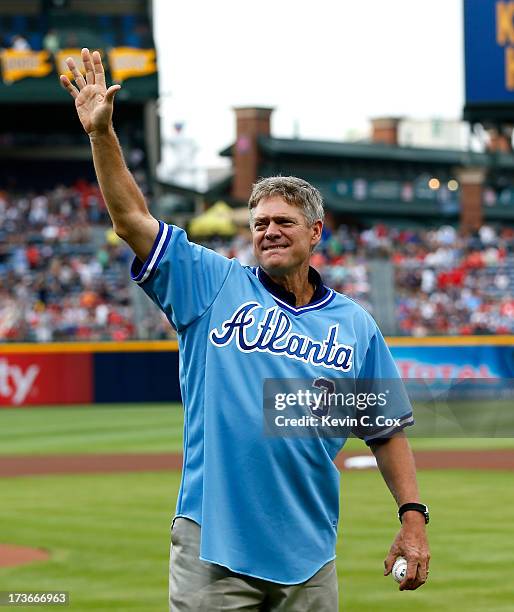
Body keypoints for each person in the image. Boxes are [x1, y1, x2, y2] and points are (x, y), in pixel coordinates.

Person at [60, 48, 430, 612]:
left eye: (284, 222)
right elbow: (132, 221)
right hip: (214, 550)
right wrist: (101, 135)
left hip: (310, 558)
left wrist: (413, 519)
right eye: (259, 224)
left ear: (316, 233)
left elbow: (384, 431)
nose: (270, 232)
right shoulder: (209, 284)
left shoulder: (353, 325)